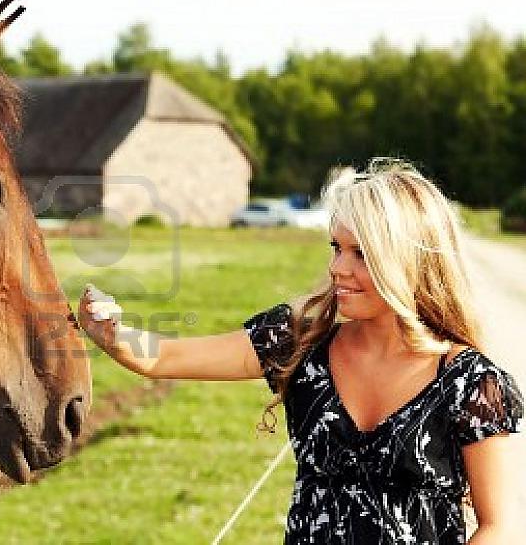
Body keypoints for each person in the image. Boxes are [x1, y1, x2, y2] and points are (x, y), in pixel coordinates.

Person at [77, 159, 523, 544]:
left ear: (405, 260)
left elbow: (497, 526)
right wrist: (113, 333)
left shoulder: (472, 385)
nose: (336, 268)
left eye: (359, 254)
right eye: (336, 248)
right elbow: (164, 358)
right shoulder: (300, 344)